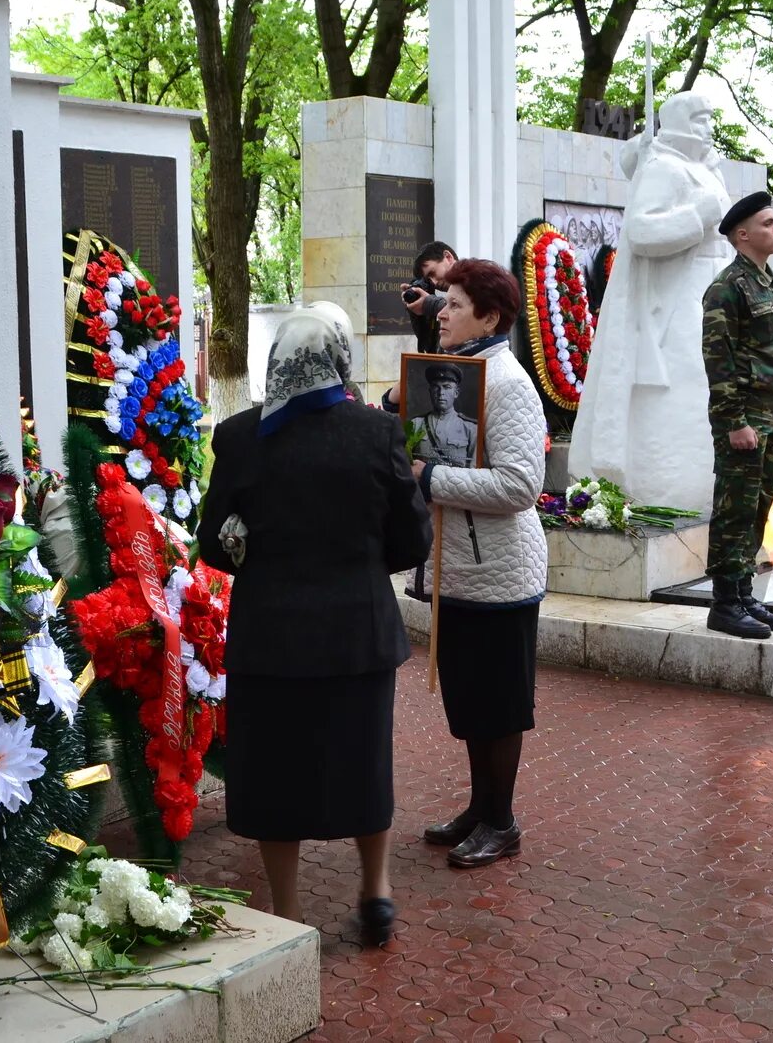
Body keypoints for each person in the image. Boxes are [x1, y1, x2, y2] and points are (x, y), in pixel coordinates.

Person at [197, 301, 431, 947]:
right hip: (357, 636)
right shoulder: (376, 435)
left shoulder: (242, 437)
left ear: (276, 362)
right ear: (337, 360)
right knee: (364, 765)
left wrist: (248, 538)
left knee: (277, 779)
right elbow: (413, 543)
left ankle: (289, 912)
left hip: (271, 643)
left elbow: (213, 545)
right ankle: (375, 890)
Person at [405, 259, 548, 869]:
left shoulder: (508, 383)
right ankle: (478, 806)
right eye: (443, 301)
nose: (443, 313)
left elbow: (521, 485)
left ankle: (502, 820)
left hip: (500, 575)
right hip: (459, 569)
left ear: (489, 317)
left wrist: (430, 476)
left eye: (455, 304)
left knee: (497, 705)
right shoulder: (461, 372)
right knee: (468, 700)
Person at [567, 92, 730, 514]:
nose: (708, 128)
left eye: (709, 119)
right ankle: (665, 495)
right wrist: (700, 214)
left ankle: (698, 493)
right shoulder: (666, 168)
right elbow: (642, 232)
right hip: (676, 304)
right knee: (671, 403)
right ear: (679, 123)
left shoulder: (706, 170)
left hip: (710, 296)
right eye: (700, 119)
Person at [700, 192, 773, 639]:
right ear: (743, 235)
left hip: (771, 412)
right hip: (742, 415)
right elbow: (719, 360)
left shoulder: (770, 284)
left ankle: (742, 594)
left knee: (760, 505)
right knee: (735, 506)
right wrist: (734, 421)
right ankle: (723, 603)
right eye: (768, 223)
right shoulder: (727, 288)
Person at [410, 362, 480, 467]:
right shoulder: (415, 425)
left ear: (456, 393)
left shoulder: (471, 429)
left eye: (446, 387)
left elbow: (474, 474)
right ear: (430, 391)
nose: (441, 392)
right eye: (436, 387)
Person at [402, 241, 457, 353]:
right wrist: (416, 312)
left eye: (432, 273)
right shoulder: (446, 300)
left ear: (448, 257)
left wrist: (430, 304)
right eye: (428, 280)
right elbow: (431, 347)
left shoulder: (482, 277)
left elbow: (473, 311)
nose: (434, 283)